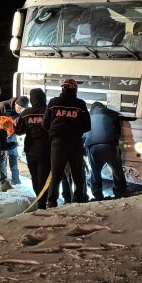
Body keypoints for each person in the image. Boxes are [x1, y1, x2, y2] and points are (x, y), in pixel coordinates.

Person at [44, 78, 91, 207]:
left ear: (62, 88)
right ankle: (78, 200)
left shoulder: (53, 102)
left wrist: (55, 133)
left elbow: (45, 124)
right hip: (75, 143)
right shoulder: (80, 104)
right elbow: (87, 126)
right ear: (75, 89)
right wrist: (75, 130)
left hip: (57, 143)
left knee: (56, 174)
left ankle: (51, 202)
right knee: (78, 174)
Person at [83, 101, 129, 201]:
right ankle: (119, 193)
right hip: (109, 145)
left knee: (95, 173)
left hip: (93, 147)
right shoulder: (111, 113)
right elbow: (117, 132)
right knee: (117, 171)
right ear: (103, 107)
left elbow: (83, 134)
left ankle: (98, 195)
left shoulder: (87, 116)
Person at [14, 88, 51, 208]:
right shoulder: (48, 111)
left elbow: (19, 131)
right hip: (46, 150)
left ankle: (39, 200)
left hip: (31, 150)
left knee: (35, 177)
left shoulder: (26, 113)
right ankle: (42, 203)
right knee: (44, 178)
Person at [0, 95, 30, 190]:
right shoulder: (3, 105)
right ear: (15, 104)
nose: (20, 110)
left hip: (12, 134)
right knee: (2, 157)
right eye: (19, 108)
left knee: (14, 156)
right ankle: (4, 181)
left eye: (23, 109)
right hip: (0, 135)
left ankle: (16, 180)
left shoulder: (22, 111)